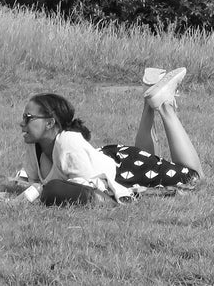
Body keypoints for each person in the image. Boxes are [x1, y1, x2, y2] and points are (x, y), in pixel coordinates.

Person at [20, 66, 201, 206]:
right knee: (150, 160)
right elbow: (33, 184)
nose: (22, 124)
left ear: (50, 123)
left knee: (193, 177)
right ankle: (150, 97)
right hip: (117, 160)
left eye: (28, 118)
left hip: (123, 167)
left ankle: (163, 107)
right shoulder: (34, 144)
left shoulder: (68, 143)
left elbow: (97, 188)